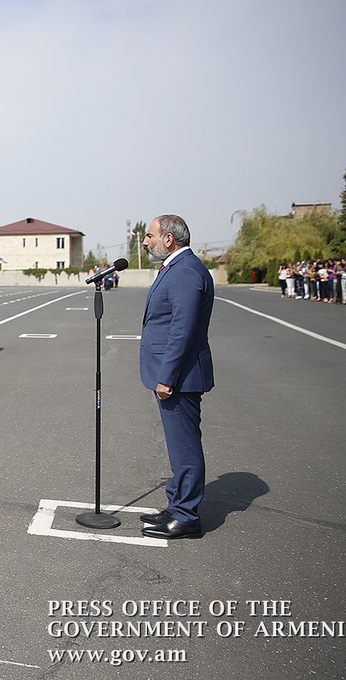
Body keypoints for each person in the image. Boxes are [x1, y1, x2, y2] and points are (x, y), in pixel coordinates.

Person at [138, 215, 214, 540]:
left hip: (180, 377)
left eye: (150, 236)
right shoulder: (176, 267)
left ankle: (187, 516)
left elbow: (182, 331)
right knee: (178, 445)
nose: (145, 242)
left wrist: (167, 377)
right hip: (175, 374)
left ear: (168, 239)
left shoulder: (185, 272)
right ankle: (177, 504)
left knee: (185, 446)